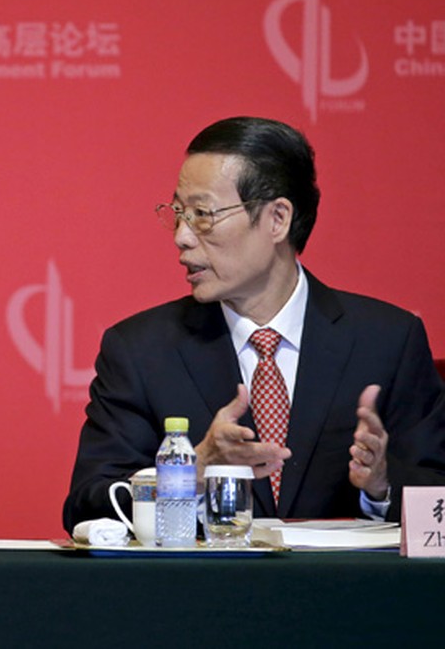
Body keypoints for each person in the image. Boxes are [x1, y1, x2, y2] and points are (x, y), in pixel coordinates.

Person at [63, 116, 445, 532]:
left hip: (345, 594)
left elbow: (436, 494)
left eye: (203, 214)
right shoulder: (140, 350)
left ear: (277, 219)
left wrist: (382, 486)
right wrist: (194, 472)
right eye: (177, 213)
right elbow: (87, 507)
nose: (182, 237)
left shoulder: (388, 341)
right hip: (202, 595)